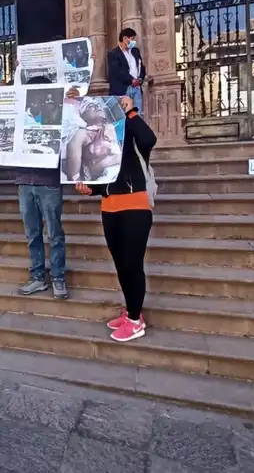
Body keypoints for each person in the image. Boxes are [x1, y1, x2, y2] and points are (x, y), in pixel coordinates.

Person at [76, 95, 157, 342]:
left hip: (135, 205)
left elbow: (149, 140)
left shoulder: (129, 132)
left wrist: (131, 112)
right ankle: (132, 311)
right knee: (121, 265)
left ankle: (135, 321)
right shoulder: (93, 139)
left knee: (132, 264)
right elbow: (102, 180)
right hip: (109, 208)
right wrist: (91, 189)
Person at [16, 76, 68, 300]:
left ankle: (58, 277)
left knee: (54, 233)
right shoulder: (18, 115)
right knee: (32, 234)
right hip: (24, 181)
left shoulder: (60, 114)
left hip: (49, 181)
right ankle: (38, 277)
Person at [107, 28, 147, 114]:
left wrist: (140, 78)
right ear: (125, 38)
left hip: (136, 88)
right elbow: (117, 71)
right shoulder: (113, 54)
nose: (134, 42)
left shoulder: (135, 51)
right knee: (124, 115)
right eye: (132, 39)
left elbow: (141, 67)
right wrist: (131, 80)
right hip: (123, 89)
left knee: (136, 115)